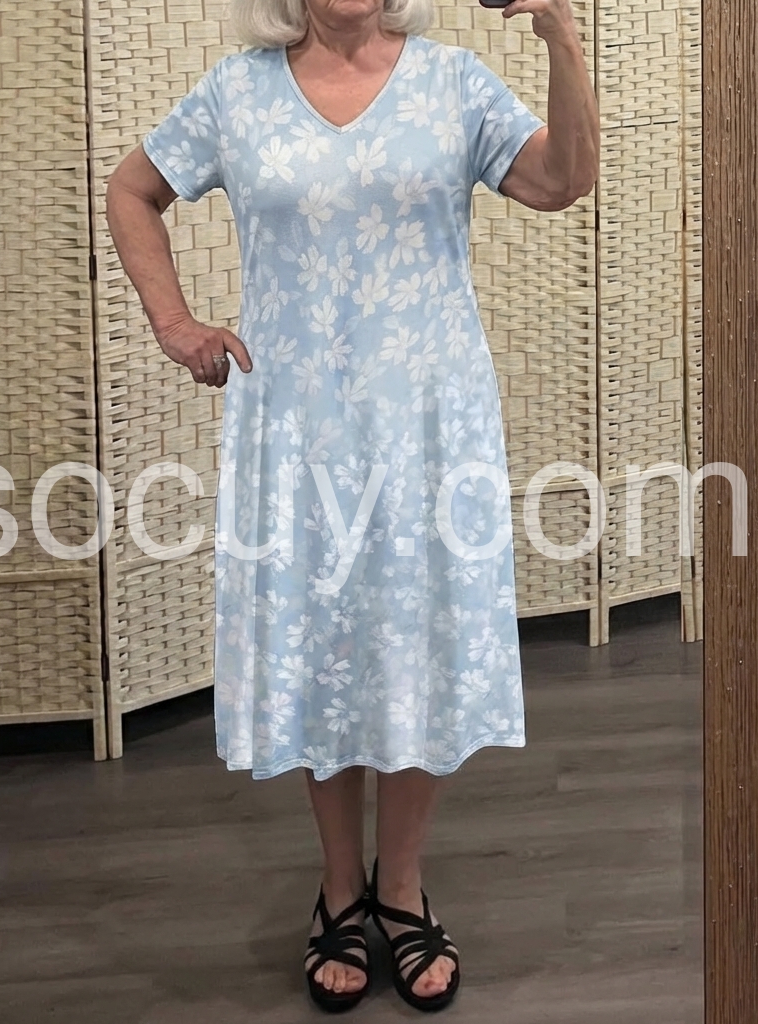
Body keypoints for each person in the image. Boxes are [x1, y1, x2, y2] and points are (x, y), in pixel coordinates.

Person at [106, 0, 598, 1011]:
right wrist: (174, 322)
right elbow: (131, 189)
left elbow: (561, 181)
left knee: (411, 639)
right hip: (293, 426)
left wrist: (562, 38)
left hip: (428, 422)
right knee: (318, 640)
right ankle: (339, 888)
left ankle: (402, 886)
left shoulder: (453, 83)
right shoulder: (238, 91)